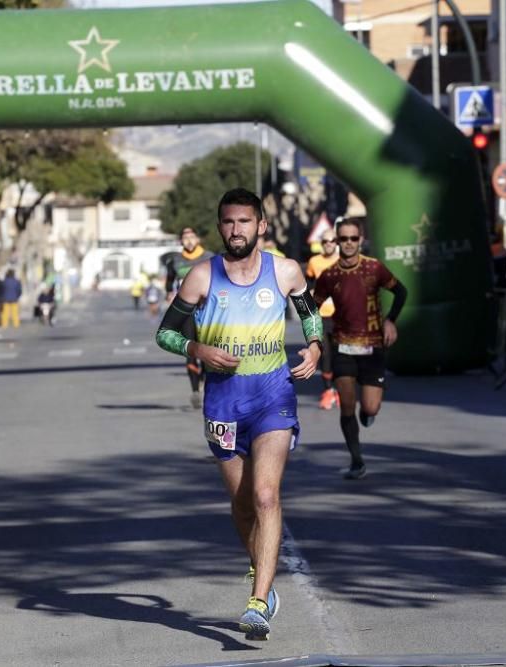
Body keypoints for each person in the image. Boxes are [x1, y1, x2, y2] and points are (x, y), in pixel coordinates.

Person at [155, 188, 322, 641]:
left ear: (261, 225)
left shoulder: (285, 271)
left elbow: (309, 312)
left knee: (266, 495)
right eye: (228, 223)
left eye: (244, 222)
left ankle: (258, 601)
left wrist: (314, 345)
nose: (236, 231)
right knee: (243, 503)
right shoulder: (201, 276)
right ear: (220, 226)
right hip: (223, 402)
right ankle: (259, 564)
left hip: (272, 395)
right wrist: (196, 347)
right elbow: (165, 333)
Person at [312, 217, 408, 480]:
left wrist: (390, 321)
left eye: (354, 238)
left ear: (361, 239)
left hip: (373, 346)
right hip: (343, 346)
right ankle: (357, 460)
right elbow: (311, 307)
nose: (349, 243)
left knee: (370, 408)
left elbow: (401, 292)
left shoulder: (374, 268)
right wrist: (314, 335)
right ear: (337, 241)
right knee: (346, 406)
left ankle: (369, 410)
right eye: (344, 239)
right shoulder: (329, 275)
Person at [164, 227, 216, 409]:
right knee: (191, 350)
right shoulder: (175, 260)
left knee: (209, 350)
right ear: (181, 241)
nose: (189, 241)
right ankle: (195, 390)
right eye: (185, 237)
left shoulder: (210, 257)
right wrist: (169, 293)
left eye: (192, 237)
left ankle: (207, 381)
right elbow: (169, 281)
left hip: (209, 310)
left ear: (198, 239)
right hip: (186, 311)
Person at [305, 230, 340, 409]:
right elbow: (308, 284)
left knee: (341, 355)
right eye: (325, 241)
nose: (329, 243)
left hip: (342, 316)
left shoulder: (345, 261)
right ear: (321, 243)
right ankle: (328, 391)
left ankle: (338, 391)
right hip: (321, 316)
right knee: (325, 354)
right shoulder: (314, 262)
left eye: (332, 240)